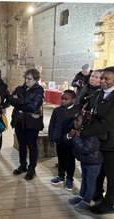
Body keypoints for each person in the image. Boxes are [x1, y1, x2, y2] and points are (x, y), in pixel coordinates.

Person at [81, 66, 114, 215]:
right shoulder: (97, 94)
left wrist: (84, 132)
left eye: (107, 78)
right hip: (98, 140)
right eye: (102, 78)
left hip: (111, 142)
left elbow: (107, 123)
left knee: (111, 174)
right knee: (98, 171)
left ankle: (110, 203)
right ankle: (97, 194)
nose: (102, 81)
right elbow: (90, 112)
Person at [9, 68, 44, 181]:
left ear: (35, 80)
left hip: (31, 122)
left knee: (32, 146)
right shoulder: (20, 88)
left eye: (30, 79)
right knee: (22, 145)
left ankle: (32, 169)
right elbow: (11, 100)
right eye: (26, 78)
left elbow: (34, 107)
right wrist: (24, 101)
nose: (27, 81)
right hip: (19, 121)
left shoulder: (39, 91)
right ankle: (22, 165)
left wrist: (19, 101)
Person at [67, 111, 103, 211]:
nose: (75, 122)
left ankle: (87, 200)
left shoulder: (92, 134)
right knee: (84, 179)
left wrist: (75, 137)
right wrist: (71, 136)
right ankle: (81, 196)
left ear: (86, 121)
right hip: (86, 161)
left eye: (77, 120)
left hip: (93, 162)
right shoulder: (81, 131)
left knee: (90, 182)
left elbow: (85, 149)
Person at [48, 90, 79, 190]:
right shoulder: (57, 110)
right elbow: (52, 124)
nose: (63, 101)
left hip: (70, 141)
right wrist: (51, 138)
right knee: (61, 159)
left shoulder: (76, 111)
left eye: (66, 99)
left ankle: (69, 178)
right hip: (59, 139)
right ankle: (60, 176)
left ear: (73, 100)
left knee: (70, 160)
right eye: (62, 98)